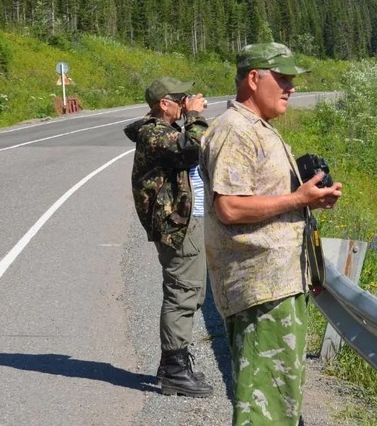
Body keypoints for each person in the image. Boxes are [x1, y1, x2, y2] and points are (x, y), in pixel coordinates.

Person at [200, 42, 344, 425]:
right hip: (261, 291)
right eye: (282, 78)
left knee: (278, 404)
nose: (290, 88)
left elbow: (261, 198)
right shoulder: (235, 131)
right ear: (253, 79)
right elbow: (228, 207)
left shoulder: (256, 129)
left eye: (292, 81)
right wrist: (296, 197)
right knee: (265, 412)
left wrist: (307, 201)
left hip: (276, 285)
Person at [123, 75, 213, 398]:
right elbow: (193, 147)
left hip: (186, 219)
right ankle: (175, 369)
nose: (186, 101)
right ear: (165, 103)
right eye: (181, 98)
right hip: (176, 223)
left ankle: (172, 363)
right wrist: (196, 115)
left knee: (191, 289)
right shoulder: (153, 133)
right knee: (182, 291)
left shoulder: (166, 130)